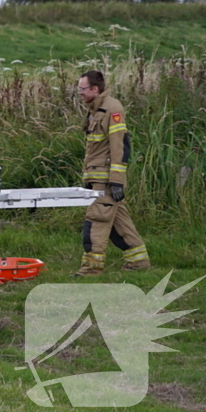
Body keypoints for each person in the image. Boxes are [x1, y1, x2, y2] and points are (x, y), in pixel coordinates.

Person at [74, 70, 150, 276]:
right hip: (96, 176)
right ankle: (138, 262)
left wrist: (116, 181)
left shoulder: (112, 109)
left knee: (97, 220)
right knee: (120, 223)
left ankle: (90, 269)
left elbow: (120, 147)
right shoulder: (94, 110)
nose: (78, 93)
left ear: (94, 89)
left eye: (81, 89)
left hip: (106, 180)